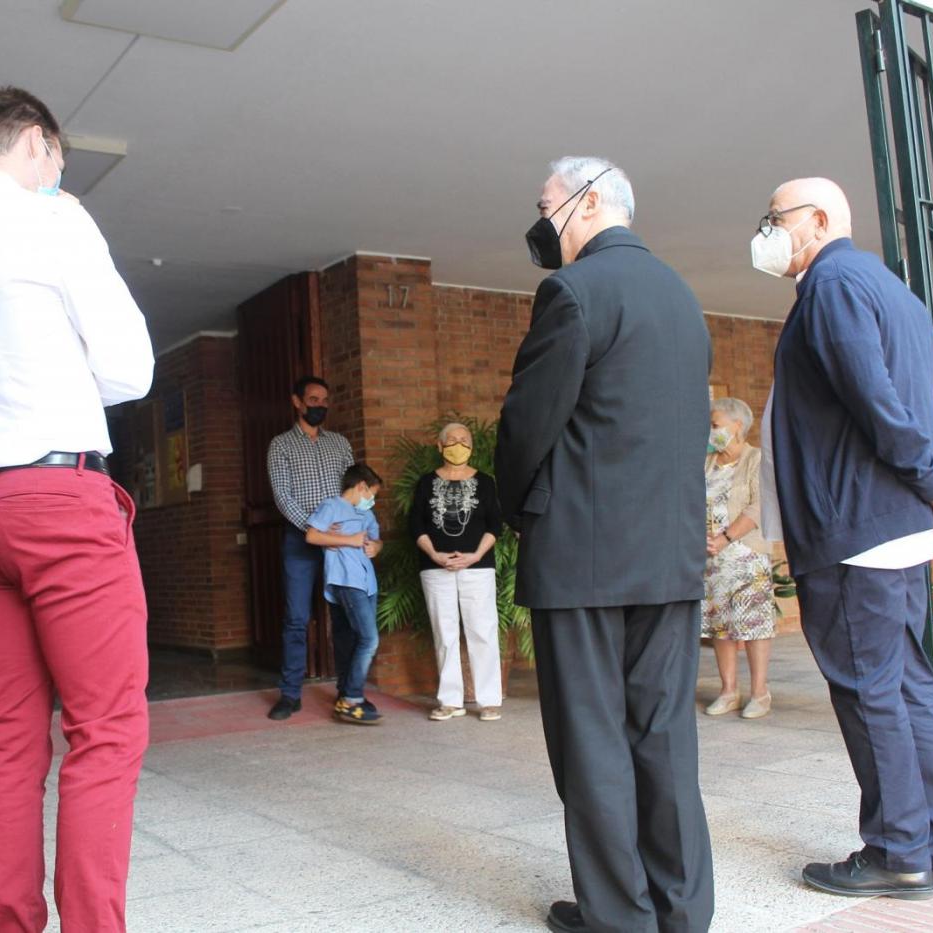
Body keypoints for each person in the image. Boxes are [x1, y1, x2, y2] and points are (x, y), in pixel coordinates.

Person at [0, 87, 154, 933]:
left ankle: (16, 925)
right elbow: (131, 371)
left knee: (8, 735)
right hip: (57, 496)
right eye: (58, 161)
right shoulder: (55, 221)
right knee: (106, 729)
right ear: (38, 144)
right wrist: (80, 223)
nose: (57, 176)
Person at [497, 156, 714, 933]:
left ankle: (619, 916)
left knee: (591, 738)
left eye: (545, 203)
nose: (540, 217)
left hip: (582, 558)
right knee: (662, 735)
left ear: (586, 205)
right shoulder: (683, 298)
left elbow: (529, 424)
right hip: (671, 553)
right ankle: (682, 910)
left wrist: (516, 509)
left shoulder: (572, 291)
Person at [760, 177, 933, 901]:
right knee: (910, 686)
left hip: (854, 526)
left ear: (819, 220)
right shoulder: (893, 289)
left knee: (871, 689)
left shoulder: (830, 285)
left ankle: (897, 850)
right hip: (898, 528)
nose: (767, 231)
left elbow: (874, 398)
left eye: (776, 218)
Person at [266, 376, 355, 720]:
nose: (320, 405)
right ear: (298, 402)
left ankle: (349, 690)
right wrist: (315, 528)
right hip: (300, 541)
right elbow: (282, 496)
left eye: (324, 400)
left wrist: (349, 528)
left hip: (340, 543)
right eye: (313, 399)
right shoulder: (281, 445)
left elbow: (354, 489)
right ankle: (290, 694)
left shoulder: (340, 444)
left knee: (343, 616)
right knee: (297, 618)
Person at [408, 422, 504, 722]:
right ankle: (450, 701)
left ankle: (488, 700)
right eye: (452, 440)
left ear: (472, 447)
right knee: (445, 633)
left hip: (478, 568)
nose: (458, 445)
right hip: (435, 569)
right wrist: (435, 554)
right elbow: (416, 525)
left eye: (465, 440)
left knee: (482, 631)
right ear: (439, 446)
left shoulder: (486, 482)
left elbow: (495, 525)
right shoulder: (425, 483)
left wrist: (475, 555)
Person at [701, 397, 775, 720]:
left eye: (715, 425)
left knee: (754, 624)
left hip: (747, 557)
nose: (711, 431)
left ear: (738, 427)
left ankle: (760, 692)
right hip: (712, 560)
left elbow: (760, 506)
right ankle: (729, 690)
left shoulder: (756, 460)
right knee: (720, 626)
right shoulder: (707, 462)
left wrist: (725, 537)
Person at [305, 463, 386, 724]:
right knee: (369, 639)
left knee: (346, 637)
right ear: (361, 486)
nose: (372, 500)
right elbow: (312, 536)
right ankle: (352, 698)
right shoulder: (331, 506)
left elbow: (377, 539)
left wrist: (376, 547)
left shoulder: (366, 515)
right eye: (371, 493)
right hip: (345, 581)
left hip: (367, 582)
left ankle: (345, 692)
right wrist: (347, 541)